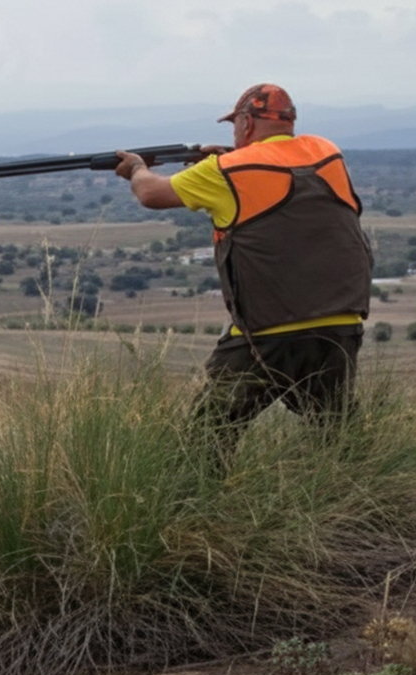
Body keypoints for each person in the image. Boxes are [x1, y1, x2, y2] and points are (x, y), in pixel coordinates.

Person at [114, 83, 372, 468]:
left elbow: (152, 194)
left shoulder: (226, 170)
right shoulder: (327, 152)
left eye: (235, 124)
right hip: (340, 322)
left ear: (247, 123)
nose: (233, 133)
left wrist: (136, 167)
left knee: (203, 444)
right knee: (339, 437)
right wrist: (230, 161)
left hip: (266, 332)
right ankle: (370, 507)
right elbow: (282, 178)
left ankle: (197, 518)